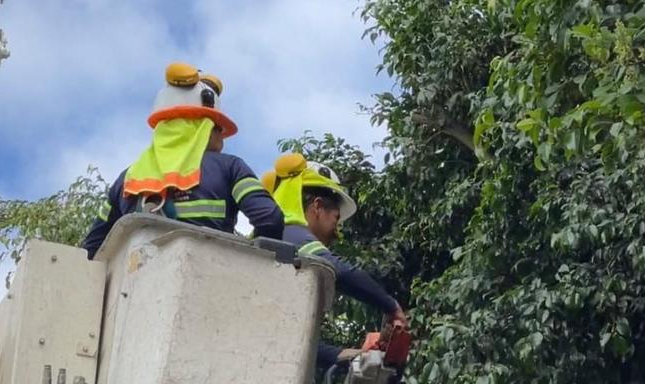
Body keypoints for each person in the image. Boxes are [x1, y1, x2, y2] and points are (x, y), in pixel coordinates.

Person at [82, 62, 283, 259]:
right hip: (211, 281)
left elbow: (91, 249)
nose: (223, 139)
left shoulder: (126, 180)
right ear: (205, 127)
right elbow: (270, 219)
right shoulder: (229, 167)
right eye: (219, 128)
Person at [263, 153, 408, 367]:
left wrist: (359, 356)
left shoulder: (279, 244)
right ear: (317, 206)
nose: (337, 233)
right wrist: (391, 306)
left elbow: (298, 346)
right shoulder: (290, 234)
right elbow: (337, 270)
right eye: (336, 219)